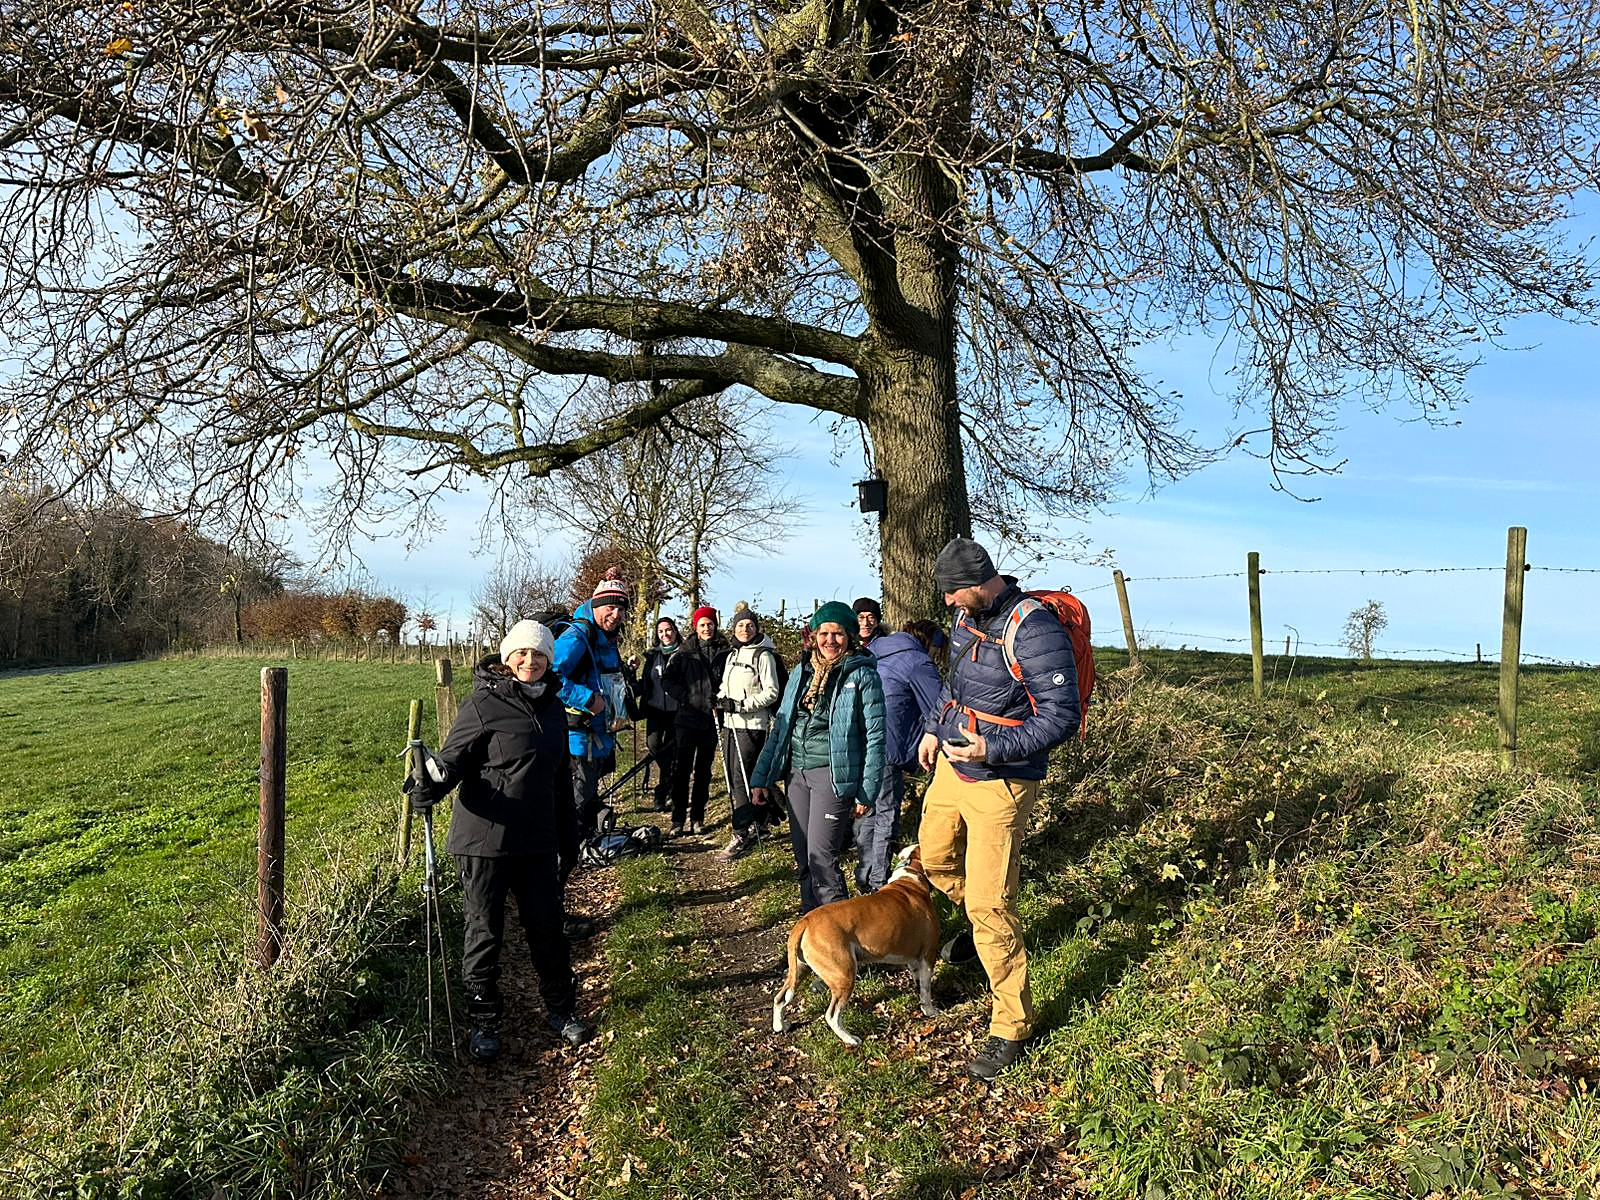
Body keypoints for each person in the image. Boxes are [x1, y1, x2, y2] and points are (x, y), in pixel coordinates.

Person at [917, 537, 1080, 1081]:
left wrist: (994, 748)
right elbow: (955, 687)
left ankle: (1012, 1024)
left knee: (991, 903)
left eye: (953, 592)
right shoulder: (968, 618)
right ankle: (980, 921)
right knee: (935, 859)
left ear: (982, 579)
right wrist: (933, 730)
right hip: (952, 763)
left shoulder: (1034, 630)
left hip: (1002, 780)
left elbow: (1061, 718)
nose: (947, 604)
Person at [409, 620, 597, 1061]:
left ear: (550, 661)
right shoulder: (482, 704)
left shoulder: (553, 708)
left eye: (538, 655)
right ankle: (484, 1021)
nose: (529, 661)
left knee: (547, 930)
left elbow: (557, 782)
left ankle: (561, 1010)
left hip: (536, 840)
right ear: (507, 658)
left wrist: (568, 840)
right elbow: (452, 762)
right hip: (484, 840)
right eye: (521, 654)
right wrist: (429, 788)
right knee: (485, 931)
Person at [750, 601, 886, 912]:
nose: (830, 640)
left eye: (837, 633)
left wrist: (867, 790)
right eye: (823, 633)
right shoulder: (801, 672)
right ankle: (814, 931)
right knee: (804, 858)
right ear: (814, 636)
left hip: (833, 776)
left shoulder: (863, 676)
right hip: (797, 774)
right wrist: (761, 777)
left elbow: (876, 737)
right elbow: (781, 728)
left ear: (850, 636)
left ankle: (842, 938)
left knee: (822, 858)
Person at [853, 619, 943, 890]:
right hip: (887, 747)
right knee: (885, 815)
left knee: (865, 809)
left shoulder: (873, 651)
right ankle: (879, 884)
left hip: (857, 740)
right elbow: (939, 711)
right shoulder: (918, 662)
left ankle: (864, 875)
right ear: (932, 644)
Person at [714, 606, 785, 860]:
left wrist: (742, 705)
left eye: (750, 625)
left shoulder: (763, 655)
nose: (745, 629)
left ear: (757, 629)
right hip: (730, 723)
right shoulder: (733, 654)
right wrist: (720, 699)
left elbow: (772, 692)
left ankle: (741, 832)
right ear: (734, 629)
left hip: (752, 725)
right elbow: (725, 685)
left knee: (742, 780)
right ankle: (759, 824)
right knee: (736, 780)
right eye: (741, 625)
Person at [663, 604, 728, 836]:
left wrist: (721, 698)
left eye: (710, 624)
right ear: (695, 627)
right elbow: (667, 681)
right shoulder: (683, 652)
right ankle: (678, 819)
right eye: (702, 624)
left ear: (715, 625)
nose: (707, 628)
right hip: (687, 719)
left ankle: (697, 818)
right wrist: (685, 696)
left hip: (711, 720)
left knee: (704, 772)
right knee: (681, 771)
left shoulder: (725, 651)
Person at [639, 617, 683, 813]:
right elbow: (645, 682)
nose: (665, 634)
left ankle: (663, 794)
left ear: (675, 631)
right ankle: (669, 785)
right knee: (654, 745)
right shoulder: (651, 656)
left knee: (673, 752)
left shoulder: (685, 653)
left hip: (677, 710)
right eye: (661, 632)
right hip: (655, 709)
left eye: (668, 630)